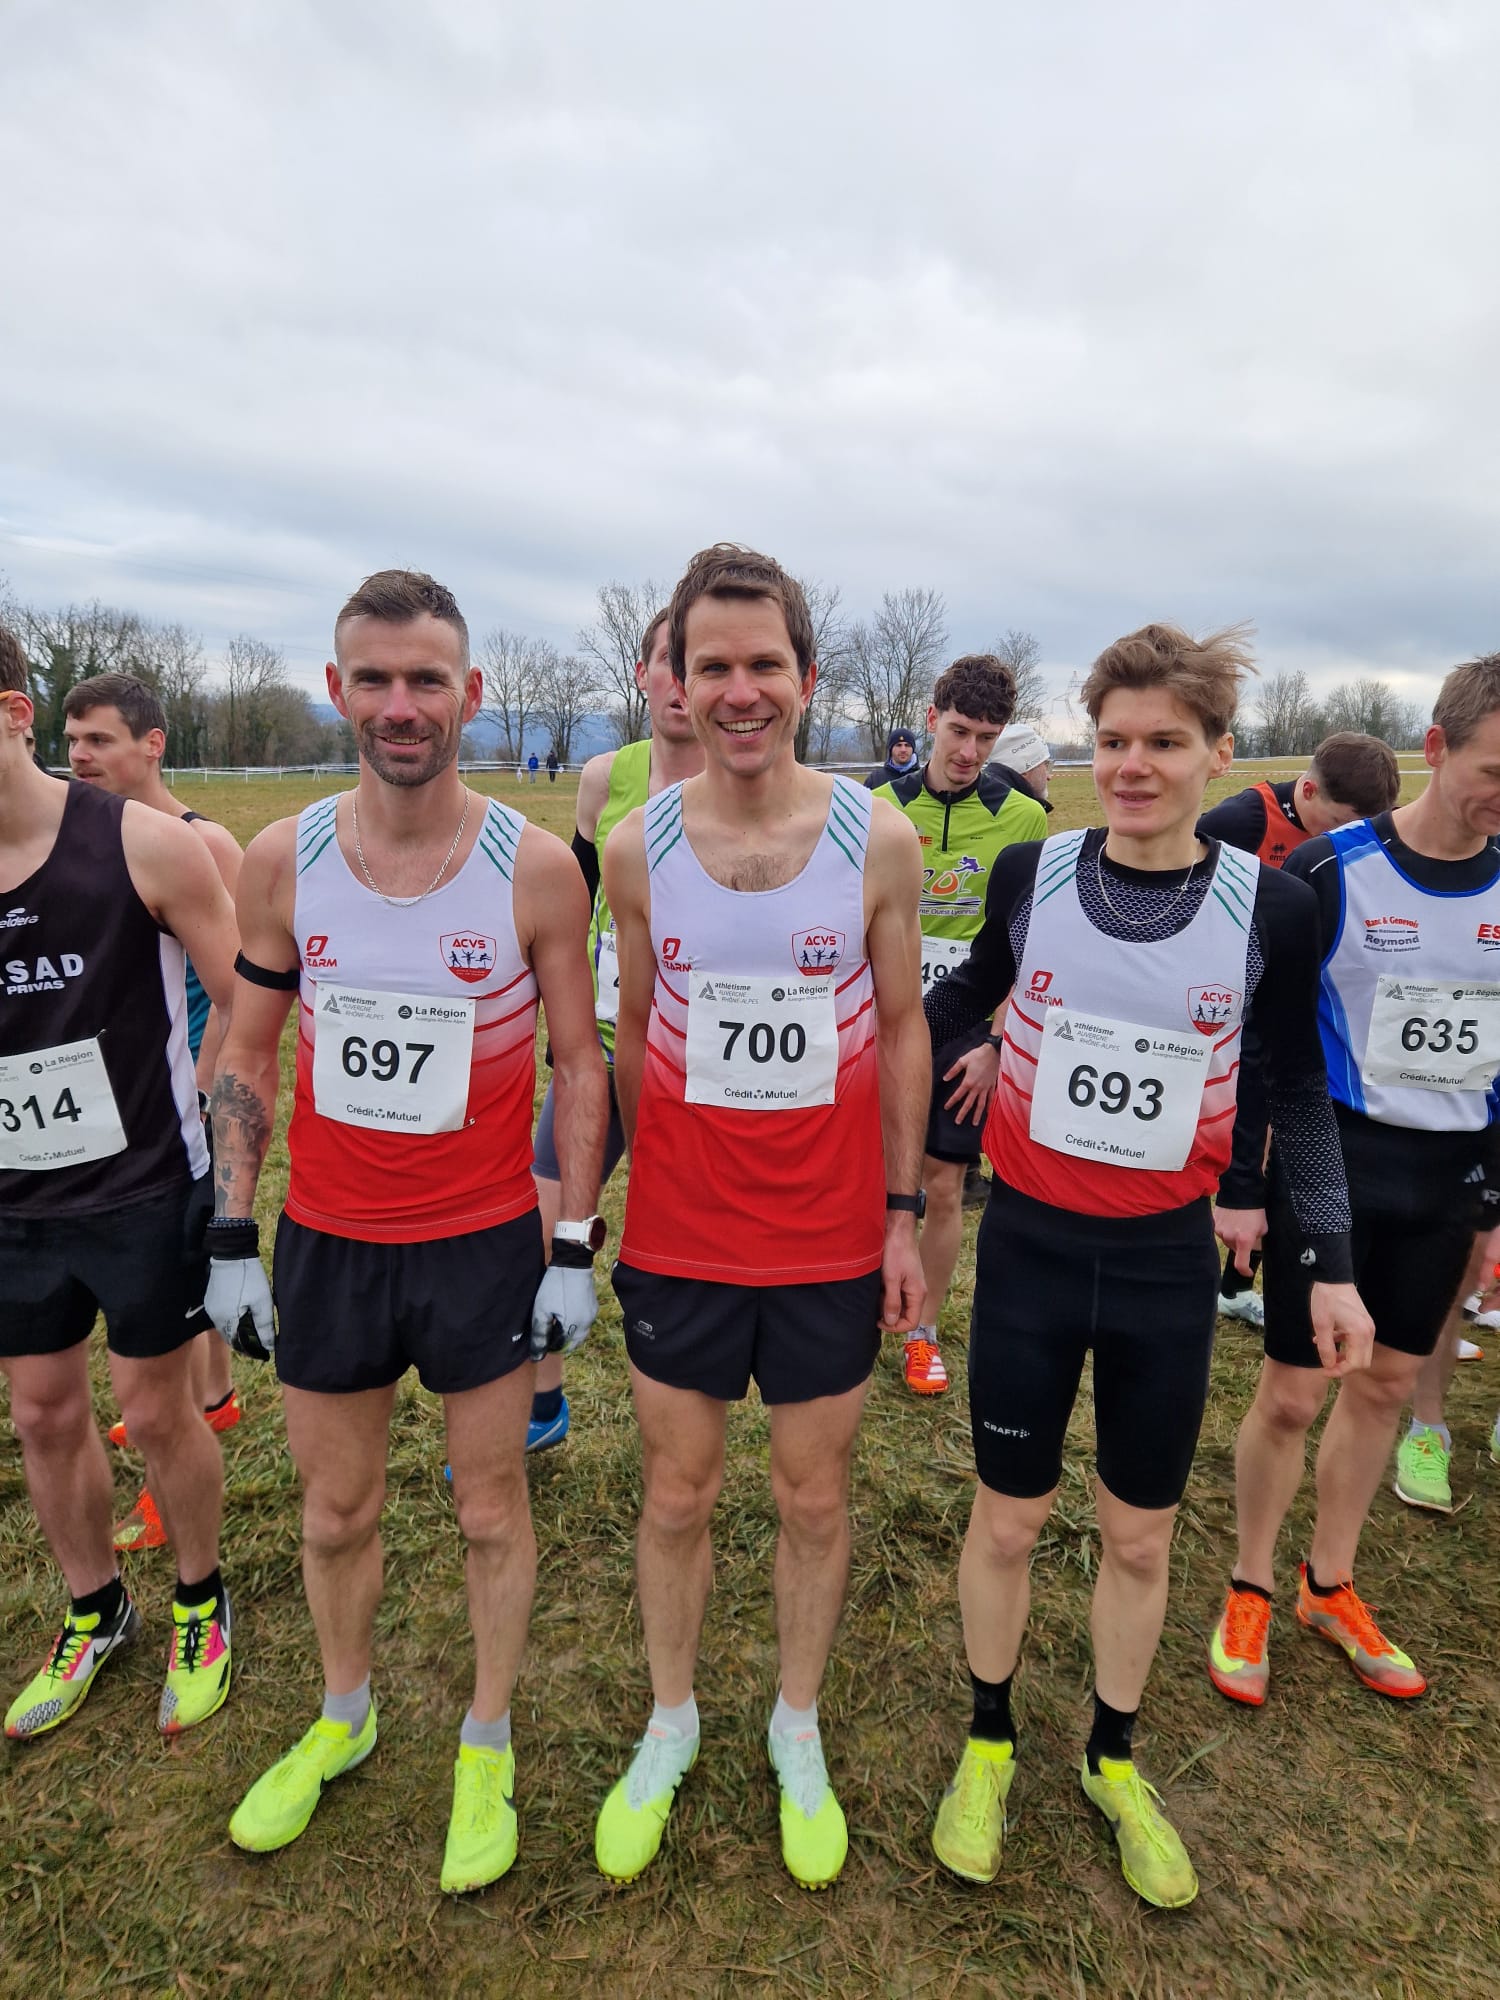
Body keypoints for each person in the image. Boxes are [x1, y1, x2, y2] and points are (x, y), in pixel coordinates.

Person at [924, 623, 1367, 1909]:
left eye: (1164, 741)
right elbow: (954, 997)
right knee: (1008, 1516)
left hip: (1165, 1263)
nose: (1132, 765)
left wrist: (1331, 1261)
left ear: (1219, 751)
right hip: (1030, 1247)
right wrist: (969, 1044)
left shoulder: (1272, 906)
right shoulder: (1034, 870)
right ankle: (989, 1738)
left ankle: (1113, 1756)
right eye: (1112, 739)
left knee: (1138, 1531)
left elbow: (1298, 1086)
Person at [205, 570, 607, 1892]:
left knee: (490, 1507)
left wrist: (572, 1240)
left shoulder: (532, 869)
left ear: (469, 694)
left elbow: (580, 1063)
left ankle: (485, 1739)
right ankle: (344, 1713)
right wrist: (228, 1231)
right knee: (335, 1510)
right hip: (330, 1239)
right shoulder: (285, 859)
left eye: (426, 679)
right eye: (372, 679)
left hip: (481, 1243)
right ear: (337, 690)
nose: (400, 705)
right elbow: (246, 1049)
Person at [595, 544, 928, 1891]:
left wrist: (901, 1214)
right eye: (712, 664)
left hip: (828, 1238)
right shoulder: (638, 845)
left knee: (812, 1493)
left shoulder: (876, 838)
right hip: (683, 1238)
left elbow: (902, 1029)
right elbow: (632, 1028)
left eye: (764, 664)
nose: (739, 690)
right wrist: (638, 1183)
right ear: (675, 680)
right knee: (676, 1491)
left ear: (806, 675)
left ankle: (797, 1723)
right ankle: (670, 1718)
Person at [1212, 656, 1500, 1715]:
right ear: (1435, 748)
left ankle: (1327, 1582)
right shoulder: (1330, 869)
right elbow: (1264, 1039)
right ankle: (1249, 1583)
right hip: (1333, 1159)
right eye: (1493, 770)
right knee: (1294, 1391)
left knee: (1384, 1386)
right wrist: (1243, 1178)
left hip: (1451, 1174)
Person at [0, 621, 242, 1743]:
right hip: (16, 1203)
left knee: (153, 1409)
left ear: (15, 714)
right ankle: (95, 1609)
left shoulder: (146, 845)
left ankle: (200, 1597)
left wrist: (202, 1100)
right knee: (43, 1412)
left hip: (144, 1182)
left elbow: (242, 994)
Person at [62, 672, 247, 1551]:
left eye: (98, 740)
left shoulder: (202, 844)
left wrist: (208, 1088)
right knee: (183, 1271)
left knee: (182, 1268)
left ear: (152, 744)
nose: (79, 756)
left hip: (190, 1094)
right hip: (123, 1095)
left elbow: (251, 983)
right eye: (72, 741)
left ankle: (186, 1438)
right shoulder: (89, 844)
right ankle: (214, 1397)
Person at [525, 610, 704, 1451]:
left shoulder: (754, 784)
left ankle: (686, 1429)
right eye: (668, 660)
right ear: (644, 674)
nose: (681, 680)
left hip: (703, 1061)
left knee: (686, 1252)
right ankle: (542, 1405)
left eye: (698, 662)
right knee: (543, 1223)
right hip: (599, 1048)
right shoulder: (605, 776)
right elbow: (574, 902)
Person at [871, 657, 1047, 1394]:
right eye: (959, 731)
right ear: (931, 717)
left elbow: (1029, 948)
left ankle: (923, 1331)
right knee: (871, 1180)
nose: (970, 751)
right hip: (880, 1022)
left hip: (964, 1032)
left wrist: (999, 1043)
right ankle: (860, 1305)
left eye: (987, 737)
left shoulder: (1024, 819)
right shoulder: (876, 805)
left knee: (943, 1186)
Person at [1198, 732, 1402, 1330]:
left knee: (1278, 1148)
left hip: (1298, 1012)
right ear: (1308, 791)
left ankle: (1237, 1284)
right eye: (1336, 825)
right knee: (1240, 1147)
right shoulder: (1239, 821)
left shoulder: (1359, 846)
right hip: (1227, 1018)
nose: (1344, 842)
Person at [989, 723, 1053, 809]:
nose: (1049, 776)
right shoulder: (1023, 812)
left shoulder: (986, 799)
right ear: (1024, 769)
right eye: (1046, 765)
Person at [864, 725, 920, 789]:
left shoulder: (923, 778)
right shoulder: (875, 779)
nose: (903, 750)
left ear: (913, 749)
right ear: (891, 749)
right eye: (898, 745)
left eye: (907, 745)